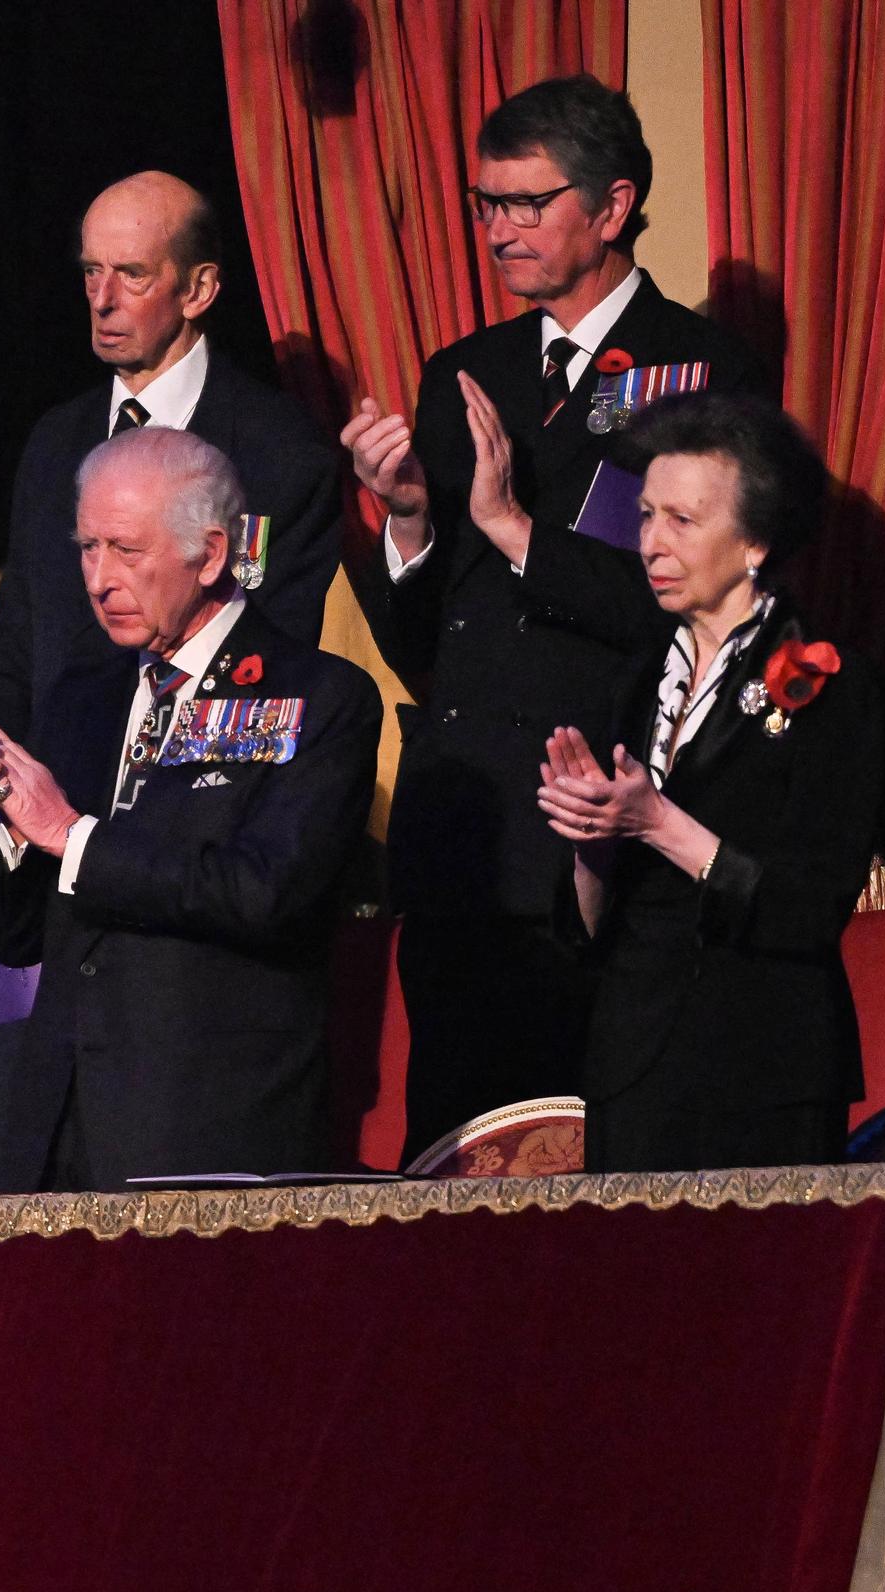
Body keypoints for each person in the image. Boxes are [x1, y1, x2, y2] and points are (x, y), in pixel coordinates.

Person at [340, 74, 767, 1161]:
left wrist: (513, 525)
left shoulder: (701, 370)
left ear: (613, 206)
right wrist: (403, 526)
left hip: (596, 817)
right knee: (451, 1165)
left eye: (527, 204)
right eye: (485, 204)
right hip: (460, 830)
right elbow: (425, 638)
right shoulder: (465, 371)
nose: (498, 230)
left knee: (588, 1174)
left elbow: (689, 606)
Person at [0, 428, 379, 1192]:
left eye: (126, 550)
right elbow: (12, 936)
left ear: (211, 555)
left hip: (207, 1128)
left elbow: (265, 892)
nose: (99, 579)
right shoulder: (84, 694)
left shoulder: (318, 697)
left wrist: (71, 836)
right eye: (86, 548)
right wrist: (11, 822)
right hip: (57, 1128)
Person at [536, 393, 876, 1171]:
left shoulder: (831, 683)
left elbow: (810, 908)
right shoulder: (636, 679)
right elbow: (589, 928)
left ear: (755, 540)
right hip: (632, 1061)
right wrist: (592, 839)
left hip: (764, 1068)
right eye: (647, 515)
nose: (651, 542)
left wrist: (660, 823)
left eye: (682, 521)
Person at [0, 172, 342, 739]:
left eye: (132, 275)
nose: (102, 300)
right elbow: (16, 633)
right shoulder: (55, 440)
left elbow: (272, 657)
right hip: (41, 791)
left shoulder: (279, 449)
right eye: (92, 271)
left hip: (188, 796)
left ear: (198, 290)